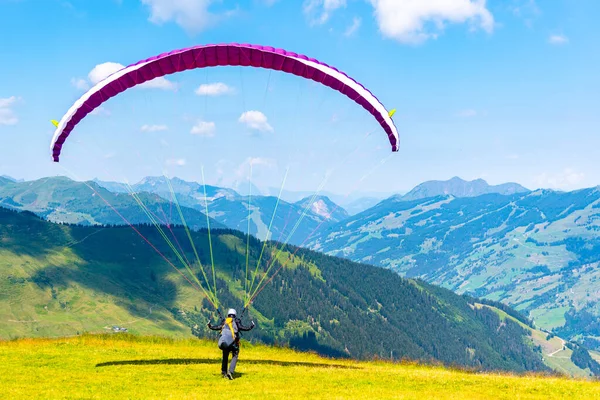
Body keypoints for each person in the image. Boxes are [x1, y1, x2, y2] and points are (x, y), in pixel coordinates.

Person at [207, 308, 255, 380]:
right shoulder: (236, 321)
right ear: (235, 315)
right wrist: (251, 326)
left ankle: (224, 372)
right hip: (233, 343)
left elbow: (217, 327)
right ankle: (230, 371)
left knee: (225, 356)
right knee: (235, 355)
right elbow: (243, 328)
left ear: (228, 314)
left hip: (226, 342)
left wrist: (210, 326)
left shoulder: (225, 321)